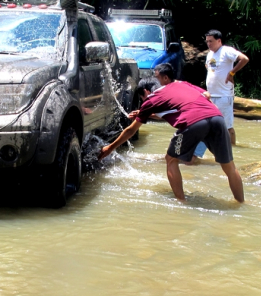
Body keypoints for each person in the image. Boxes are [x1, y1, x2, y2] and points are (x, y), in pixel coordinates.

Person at [99, 63, 244, 203]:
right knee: (229, 166)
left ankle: (181, 203)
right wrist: (148, 114)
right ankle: (241, 203)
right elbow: (204, 95)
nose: (143, 102)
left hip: (193, 122)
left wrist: (109, 148)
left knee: (171, 159)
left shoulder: (151, 100)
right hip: (217, 117)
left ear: (146, 92)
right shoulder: (181, 84)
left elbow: (131, 130)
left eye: (142, 98)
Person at [193, 29, 249, 158]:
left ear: (219, 41)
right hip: (211, 96)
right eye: (207, 41)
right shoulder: (210, 54)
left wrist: (232, 73)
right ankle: (204, 152)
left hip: (224, 96)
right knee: (207, 124)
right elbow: (209, 68)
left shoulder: (226, 51)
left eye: (211, 41)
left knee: (227, 126)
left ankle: (233, 151)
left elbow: (244, 59)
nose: (209, 44)